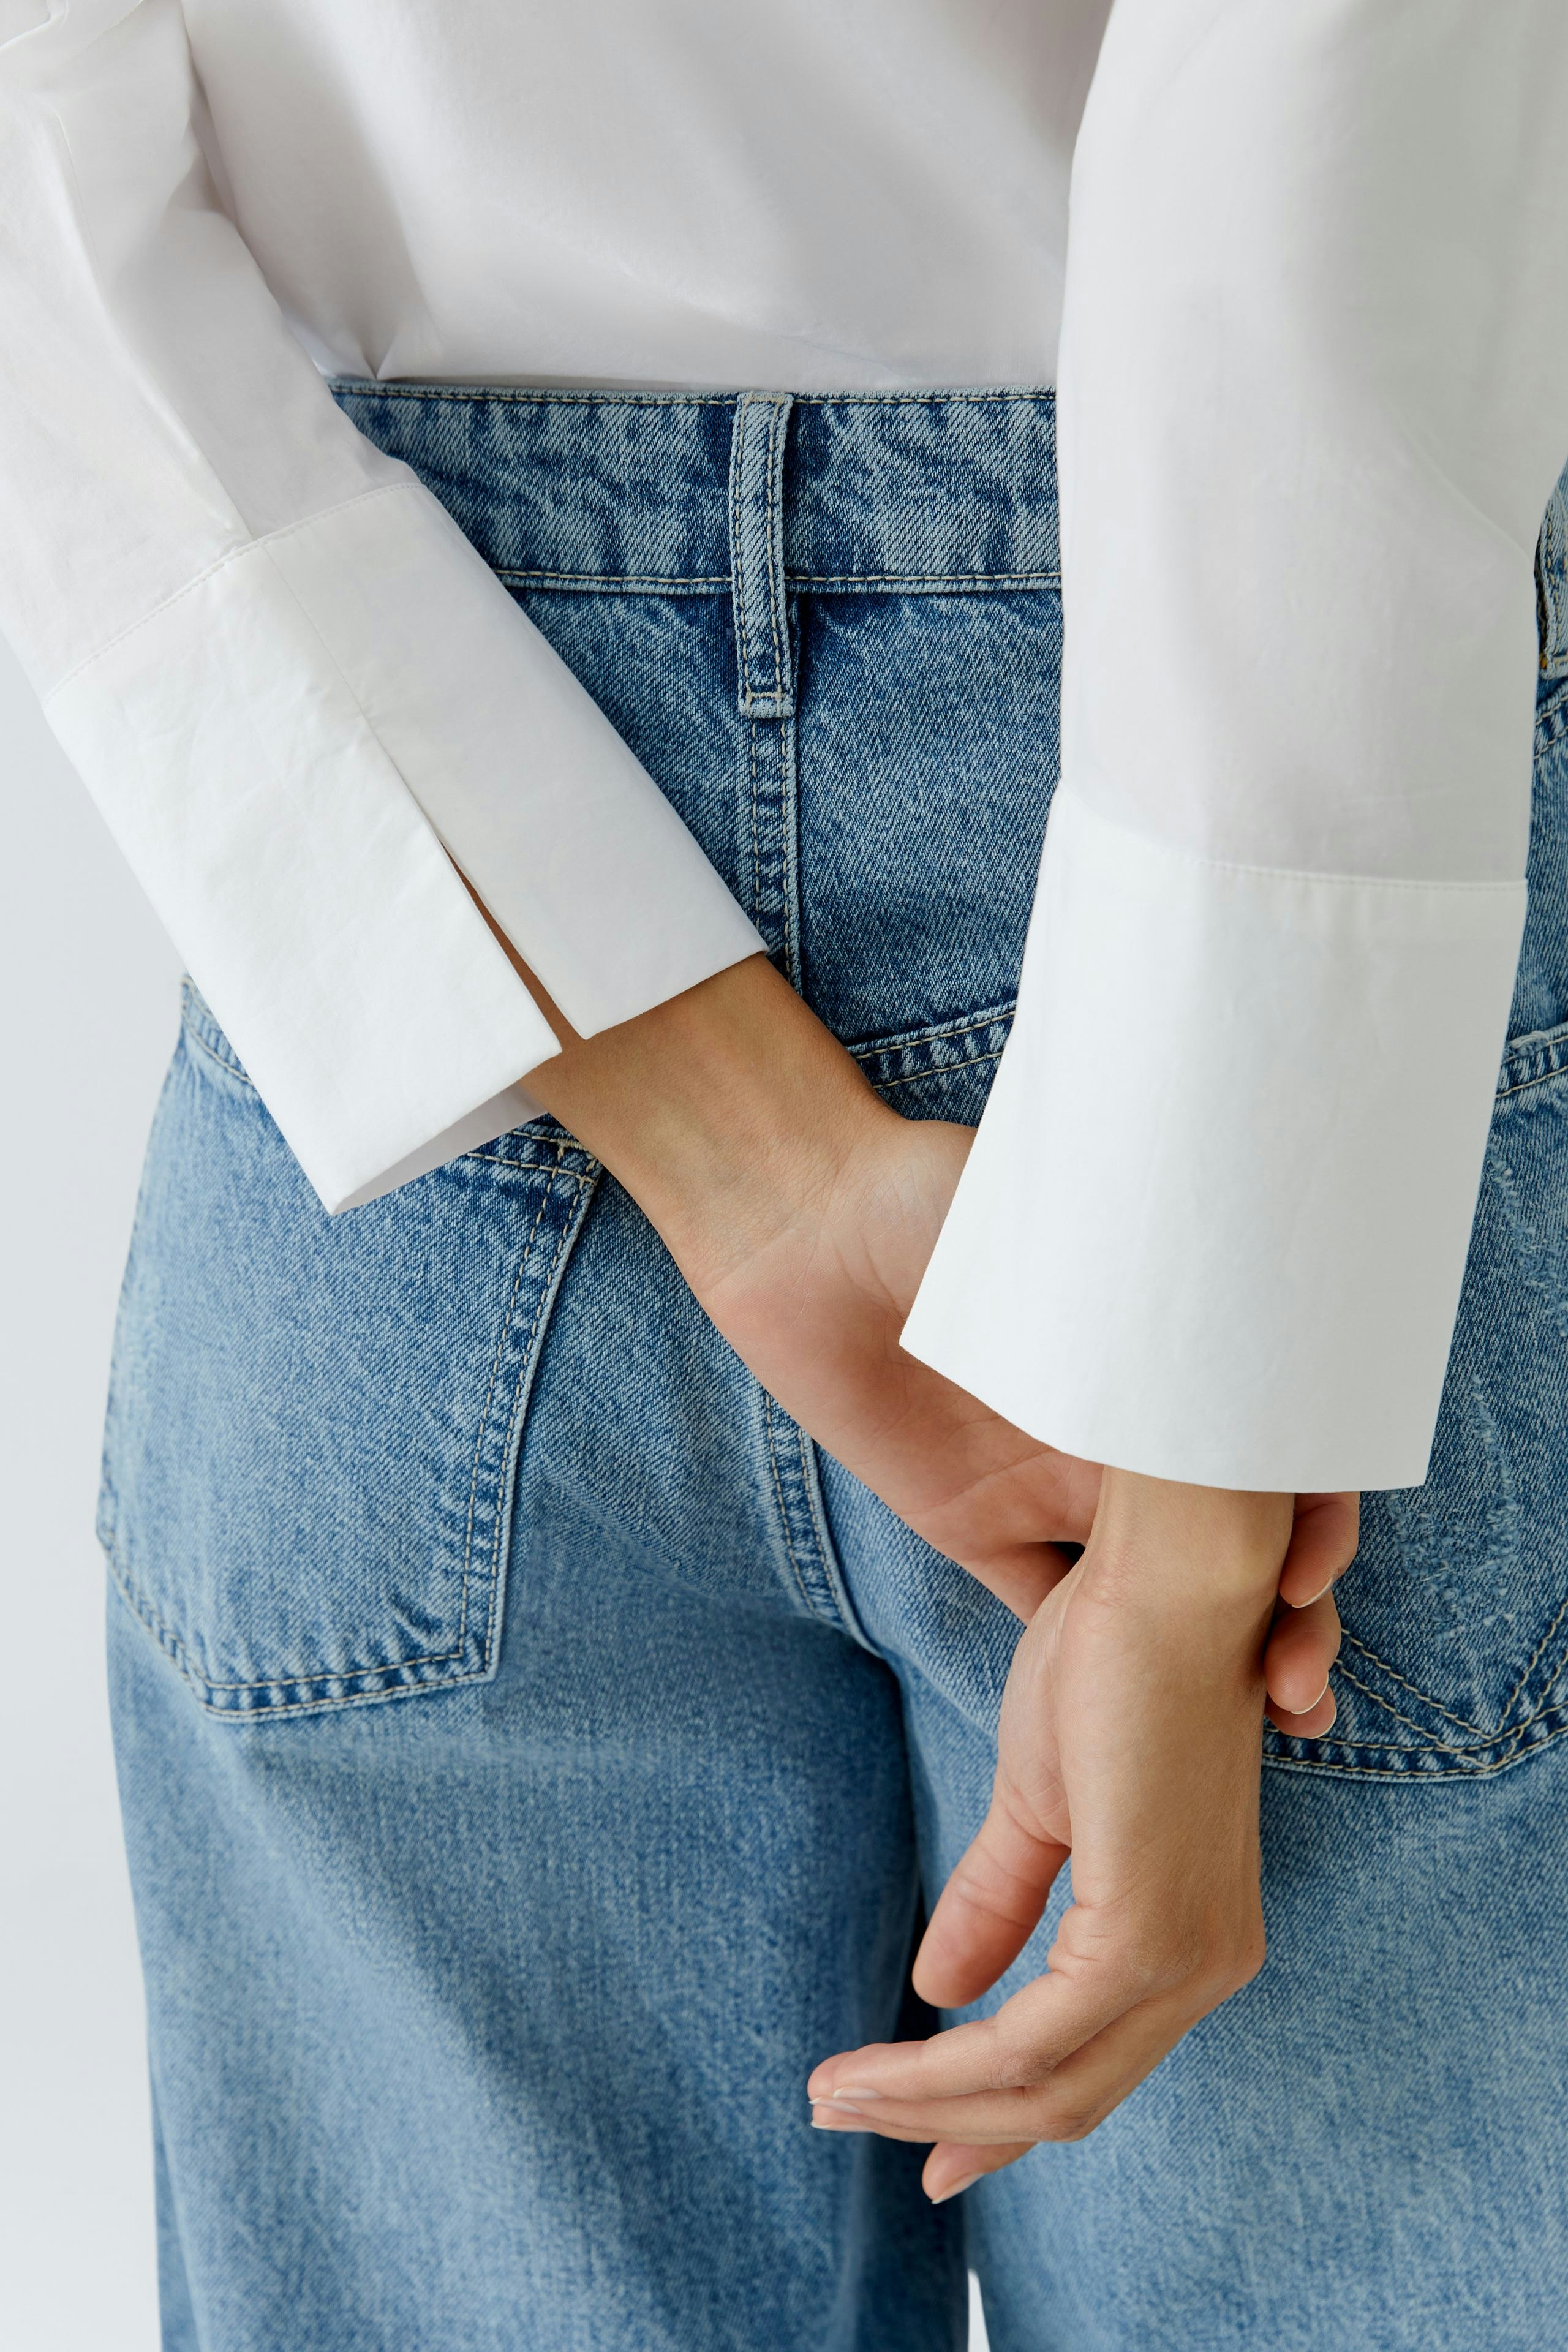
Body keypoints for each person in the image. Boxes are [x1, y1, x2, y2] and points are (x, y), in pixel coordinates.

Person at [4, 3, 1567, 2345]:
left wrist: (722, 1130)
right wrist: (1213, 1421)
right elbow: (1339, 112)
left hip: (401, 917)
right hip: (1257, 837)